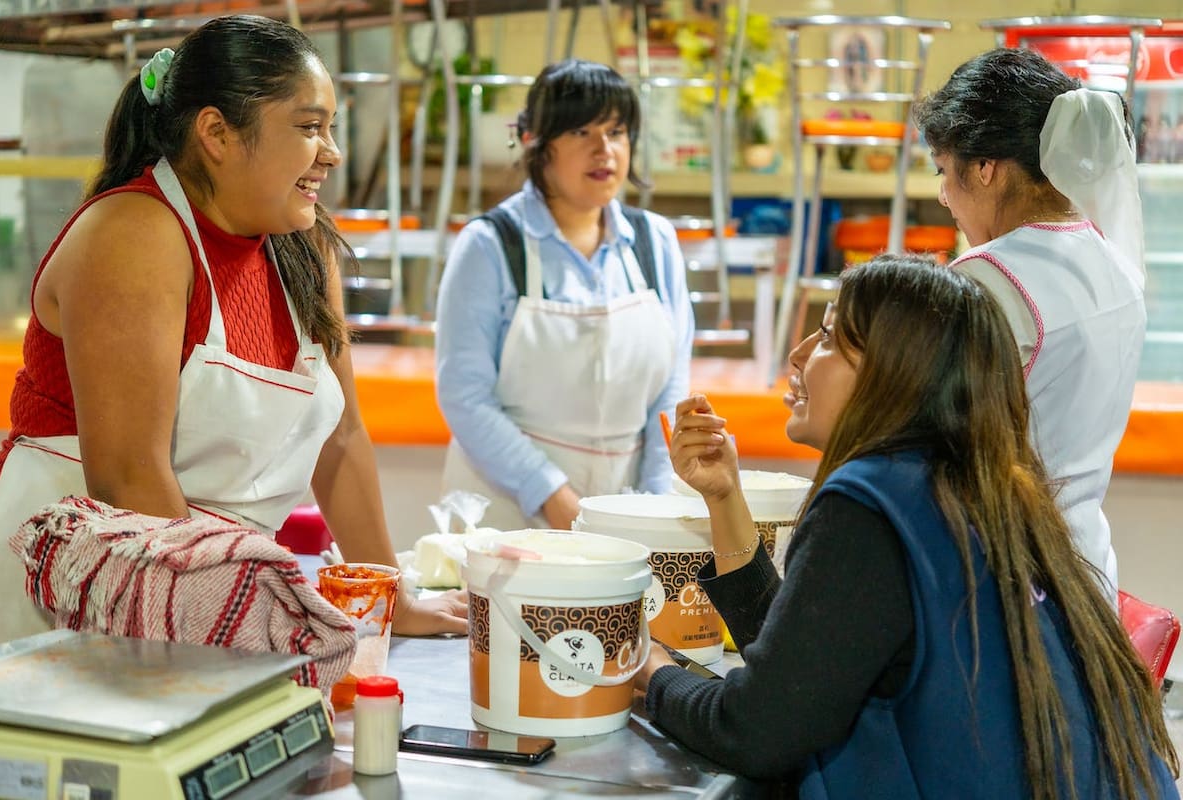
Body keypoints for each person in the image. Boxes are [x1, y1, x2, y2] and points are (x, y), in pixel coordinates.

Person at [0, 15, 466, 648]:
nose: (332, 152)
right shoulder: (133, 234)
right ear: (217, 131)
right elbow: (127, 478)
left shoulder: (303, 248)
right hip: (69, 608)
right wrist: (232, 614)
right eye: (308, 127)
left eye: (331, 129)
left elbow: (340, 440)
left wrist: (390, 596)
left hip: (203, 596)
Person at [636, 256, 1178, 799]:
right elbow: (808, 669)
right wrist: (725, 496)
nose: (798, 356)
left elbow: (757, 729)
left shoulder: (872, 501)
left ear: (894, 371)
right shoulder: (978, 488)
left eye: (827, 338)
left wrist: (651, 672)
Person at [913, 48, 1146, 602]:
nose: (945, 197)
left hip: (1003, 584)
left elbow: (924, 449)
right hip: (1088, 573)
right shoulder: (1116, 265)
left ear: (985, 167)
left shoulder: (983, 281)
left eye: (945, 172)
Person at [434, 59, 694, 530]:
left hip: (628, 504)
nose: (604, 150)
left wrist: (655, 503)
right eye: (581, 133)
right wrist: (552, 495)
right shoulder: (491, 245)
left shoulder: (655, 242)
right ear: (535, 140)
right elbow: (464, 395)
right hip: (509, 509)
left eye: (616, 132)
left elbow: (671, 389)